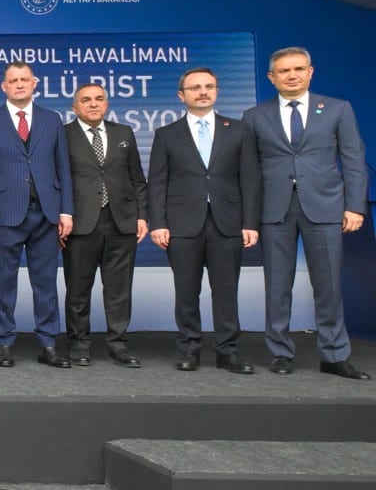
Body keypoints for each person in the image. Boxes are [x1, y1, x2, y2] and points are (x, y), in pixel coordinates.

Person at [242, 47, 369, 380]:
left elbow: (353, 160)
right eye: (284, 71)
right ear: (272, 77)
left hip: (325, 207)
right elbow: (249, 171)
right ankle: (281, 352)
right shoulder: (255, 116)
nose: (292, 75)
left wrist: (354, 206)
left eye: (299, 69)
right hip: (275, 209)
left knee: (328, 286)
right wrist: (249, 217)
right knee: (277, 284)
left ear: (310, 72)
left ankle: (334, 355)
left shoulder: (338, 109)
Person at [148, 67, 260, 374]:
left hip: (228, 222)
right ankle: (189, 349)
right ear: (181, 95)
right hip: (182, 225)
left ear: (217, 91)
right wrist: (158, 223)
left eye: (209, 86)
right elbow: (157, 182)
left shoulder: (238, 130)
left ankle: (228, 351)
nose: (202, 92)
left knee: (226, 291)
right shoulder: (167, 134)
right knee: (186, 291)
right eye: (195, 87)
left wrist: (250, 222)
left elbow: (250, 179)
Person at [0, 61, 74, 369]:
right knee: (4, 283)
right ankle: (5, 343)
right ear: (3, 86)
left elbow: (63, 169)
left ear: (35, 83)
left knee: (45, 282)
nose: (19, 84)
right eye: (13, 80)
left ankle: (47, 343)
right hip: (6, 214)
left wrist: (66, 210)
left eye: (24, 79)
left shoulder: (52, 120)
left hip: (46, 213)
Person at [61, 83, 147, 368]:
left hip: (121, 222)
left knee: (119, 289)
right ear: (75, 107)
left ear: (107, 104)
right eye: (86, 100)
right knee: (78, 289)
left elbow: (137, 178)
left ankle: (118, 345)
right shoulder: (62, 135)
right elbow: (55, 181)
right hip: (80, 224)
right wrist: (60, 217)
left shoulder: (124, 133)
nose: (93, 104)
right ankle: (79, 344)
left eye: (99, 99)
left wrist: (142, 216)